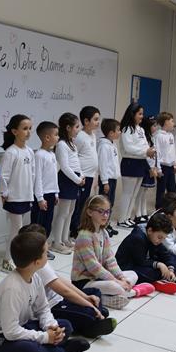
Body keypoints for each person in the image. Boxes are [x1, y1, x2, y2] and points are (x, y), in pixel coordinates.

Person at [0, 231, 90, 352]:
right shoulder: (12, 288)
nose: (48, 253)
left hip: (20, 327)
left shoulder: (35, 277)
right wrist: (45, 338)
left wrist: (51, 326)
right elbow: (10, 332)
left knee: (65, 326)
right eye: (45, 252)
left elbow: (43, 309)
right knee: (30, 350)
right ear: (36, 262)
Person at [19, 224, 117, 337]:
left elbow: (62, 281)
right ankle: (90, 326)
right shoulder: (38, 267)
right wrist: (91, 307)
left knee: (95, 292)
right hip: (53, 307)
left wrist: (86, 298)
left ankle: (93, 318)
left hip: (60, 300)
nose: (48, 248)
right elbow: (65, 292)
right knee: (90, 312)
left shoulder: (41, 262)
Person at [72, 195, 155, 309]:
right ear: (89, 212)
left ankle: (110, 296)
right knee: (114, 286)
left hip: (99, 278)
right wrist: (116, 281)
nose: (105, 215)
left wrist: (121, 278)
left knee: (132, 274)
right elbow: (93, 267)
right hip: (84, 282)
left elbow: (110, 259)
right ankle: (133, 292)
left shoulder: (104, 233)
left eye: (107, 211)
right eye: (101, 211)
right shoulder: (84, 236)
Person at [0, 114, 35, 272]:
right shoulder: (11, 152)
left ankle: (20, 258)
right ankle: (7, 260)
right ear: (15, 131)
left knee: (23, 231)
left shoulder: (29, 151)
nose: (28, 132)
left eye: (30, 128)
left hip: (26, 196)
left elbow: (32, 174)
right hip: (14, 197)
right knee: (16, 230)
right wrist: (4, 193)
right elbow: (4, 176)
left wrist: (32, 193)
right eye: (25, 128)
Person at [115, 213, 176, 294]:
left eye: (163, 238)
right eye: (160, 237)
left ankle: (163, 278)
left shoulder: (154, 238)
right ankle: (158, 280)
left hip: (142, 264)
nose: (161, 241)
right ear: (149, 231)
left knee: (171, 259)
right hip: (127, 268)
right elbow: (141, 261)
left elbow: (166, 255)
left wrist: (171, 270)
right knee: (155, 271)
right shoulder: (138, 238)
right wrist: (159, 264)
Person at [117, 103, 156, 229]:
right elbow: (129, 148)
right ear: (132, 114)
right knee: (127, 193)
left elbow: (144, 145)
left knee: (134, 194)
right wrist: (145, 151)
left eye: (142, 114)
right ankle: (121, 219)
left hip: (140, 163)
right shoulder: (126, 129)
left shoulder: (140, 129)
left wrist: (149, 151)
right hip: (130, 163)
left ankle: (127, 217)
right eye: (139, 114)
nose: (142, 116)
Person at [51, 112, 84, 254]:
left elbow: (76, 163)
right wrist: (77, 179)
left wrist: (81, 175)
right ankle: (56, 242)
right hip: (66, 180)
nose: (78, 129)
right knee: (63, 213)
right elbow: (64, 167)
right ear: (68, 128)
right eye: (76, 127)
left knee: (70, 212)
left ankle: (65, 239)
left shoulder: (72, 144)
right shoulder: (61, 144)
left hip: (75, 180)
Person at [31, 121, 60, 260]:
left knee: (47, 224)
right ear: (47, 137)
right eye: (56, 134)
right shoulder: (39, 155)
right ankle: (35, 251)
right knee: (38, 225)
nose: (58, 137)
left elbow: (53, 176)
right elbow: (37, 178)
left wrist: (56, 192)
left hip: (50, 194)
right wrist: (40, 198)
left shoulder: (52, 154)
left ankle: (43, 249)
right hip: (41, 197)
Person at [70, 106, 100, 238]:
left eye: (98, 119)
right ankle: (74, 229)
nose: (98, 122)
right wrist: (80, 174)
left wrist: (95, 175)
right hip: (82, 176)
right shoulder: (80, 136)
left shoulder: (93, 135)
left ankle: (80, 226)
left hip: (90, 175)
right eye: (95, 119)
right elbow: (74, 156)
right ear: (86, 121)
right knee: (78, 204)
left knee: (84, 204)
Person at [134, 116, 160, 224]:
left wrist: (155, 167)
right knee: (140, 192)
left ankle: (143, 212)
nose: (155, 128)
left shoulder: (152, 138)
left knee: (144, 192)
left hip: (151, 167)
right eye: (153, 125)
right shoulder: (145, 138)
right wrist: (149, 168)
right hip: (145, 167)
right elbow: (145, 155)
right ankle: (138, 214)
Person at [98, 118, 121, 237]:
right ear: (111, 133)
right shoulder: (104, 146)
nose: (120, 132)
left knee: (110, 203)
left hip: (113, 179)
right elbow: (103, 165)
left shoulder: (112, 144)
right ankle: (101, 226)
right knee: (104, 204)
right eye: (118, 130)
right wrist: (105, 182)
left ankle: (107, 224)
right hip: (106, 180)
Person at [154, 112, 176, 209]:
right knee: (161, 190)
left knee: (172, 189)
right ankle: (159, 209)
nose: (173, 123)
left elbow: (173, 151)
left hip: (170, 167)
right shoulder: (158, 136)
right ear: (166, 122)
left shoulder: (171, 135)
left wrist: (174, 164)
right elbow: (157, 153)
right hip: (163, 167)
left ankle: (171, 208)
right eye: (172, 121)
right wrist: (158, 169)